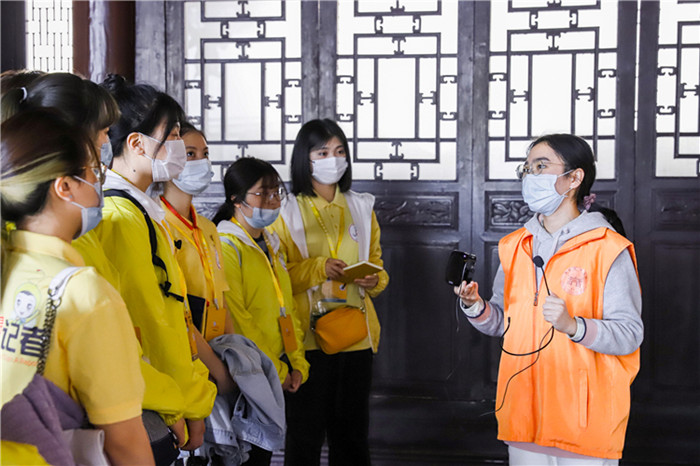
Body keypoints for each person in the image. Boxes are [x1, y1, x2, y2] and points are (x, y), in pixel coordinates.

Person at [454, 134, 643, 465]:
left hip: (584, 419)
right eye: (527, 169)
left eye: (541, 166)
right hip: (524, 413)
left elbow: (629, 334)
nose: (531, 176)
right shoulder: (515, 246)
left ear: (575, 177)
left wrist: (574, 326)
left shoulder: (608, 248)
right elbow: (503, 324)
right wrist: (475, 306)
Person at [0, 109, 154, 465]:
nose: (98, 182)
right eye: (91, 171)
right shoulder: (84, 292)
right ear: (64, 186)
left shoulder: (9, 266)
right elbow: (124, 442)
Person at [73, 74, 217, 451]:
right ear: (137, 143)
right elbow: (150, 323)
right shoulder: (122, 217)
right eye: (173, 136)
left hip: (165, 393)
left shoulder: (141, 209)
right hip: (152, 401)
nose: (179, 146)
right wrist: (181, 403)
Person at [269, 119, 389, 466]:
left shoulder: (361, 206)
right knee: (304, 435)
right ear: (304, 159)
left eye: (339, 152)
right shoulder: (285, 210)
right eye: (322, 153)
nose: (332, 159)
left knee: (352, 437)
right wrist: (319, 268)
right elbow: (276, 278)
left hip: (356, 337)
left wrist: (374, 280)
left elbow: (378, 267)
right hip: (307, 341)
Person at [213, 157, 310, 466]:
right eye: (262, 194)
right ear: (236, 199)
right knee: (248, 456)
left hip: (277, 367)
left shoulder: (271, 241)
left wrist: (297, 362)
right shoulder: (226, 245)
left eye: (276, 193)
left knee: (264, 456)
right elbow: (239, 321)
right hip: (249, 371)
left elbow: (287, 307)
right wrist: (277, 371)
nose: (272, 201)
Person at [160, 122, 236, 394]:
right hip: (187, 361)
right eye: (190, 154)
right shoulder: (159, 226)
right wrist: (217, 370)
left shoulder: (207, 228)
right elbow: (174, 314)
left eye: (205, 154)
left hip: (218, 352)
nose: (201, 162)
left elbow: (221, 298)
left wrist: (233, 356)